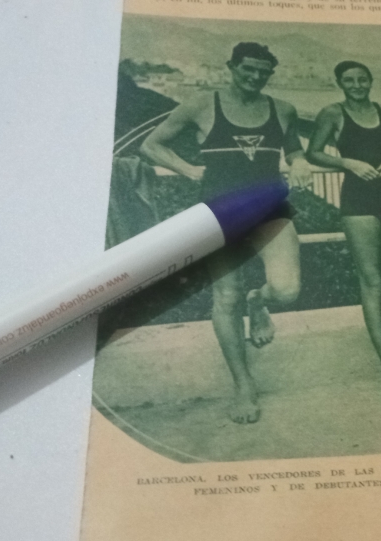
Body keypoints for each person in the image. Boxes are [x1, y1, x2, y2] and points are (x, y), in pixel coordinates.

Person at [139, 42, 312, 423]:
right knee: (226, 296)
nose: (255, 77)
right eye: (248, 69)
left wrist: (298, 163)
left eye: (263, 72)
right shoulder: (201, 105)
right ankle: (243, 386)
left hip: (270, 210)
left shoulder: (283, 110)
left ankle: (259, 302)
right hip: (220, 214)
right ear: (231, 67)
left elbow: (295, 149)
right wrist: (187, 169)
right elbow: (151, 145)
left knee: (286, 289)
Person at [306, 61, 381, 406]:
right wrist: (348, 163)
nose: (357, 84)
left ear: (371, 81)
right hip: (357, 198)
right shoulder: (332, 113)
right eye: (349, 80)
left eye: (362, 79)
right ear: (340, 83)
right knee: (372, 282)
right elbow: (314, 152)